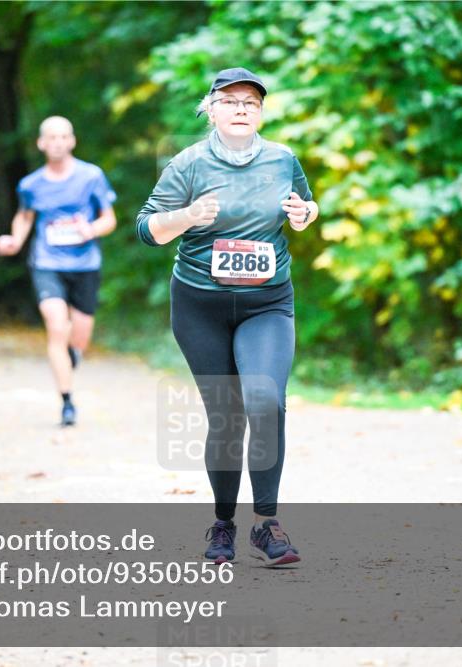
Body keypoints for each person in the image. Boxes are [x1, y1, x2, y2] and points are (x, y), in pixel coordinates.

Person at [136, 68, 319, 566]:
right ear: (211, 110)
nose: (241, 108)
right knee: (227, 415)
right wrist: (188, 216)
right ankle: (222, 525)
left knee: (265, 400)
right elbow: (147, 229)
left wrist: (306, 214)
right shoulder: (187, 164)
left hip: (267, 303)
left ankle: (267, 524)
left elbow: (306, 205)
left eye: (251, 102)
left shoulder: (283, 158)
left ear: (261, 113)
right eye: (231, 101)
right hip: (200, 305)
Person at [0, 116, 118, 427]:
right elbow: (24, 217)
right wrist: (14, 241)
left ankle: (70, 358)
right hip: (47, 264)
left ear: (72, 141)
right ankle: (67, 402)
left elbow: (109, 219)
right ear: (41, 143)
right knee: (56, 325)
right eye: (52, 137)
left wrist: (90, 230)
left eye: (64, 136)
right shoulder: (30, 185)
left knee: (79, 337)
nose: (58, 142)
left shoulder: (91, 176)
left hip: (85, 265)